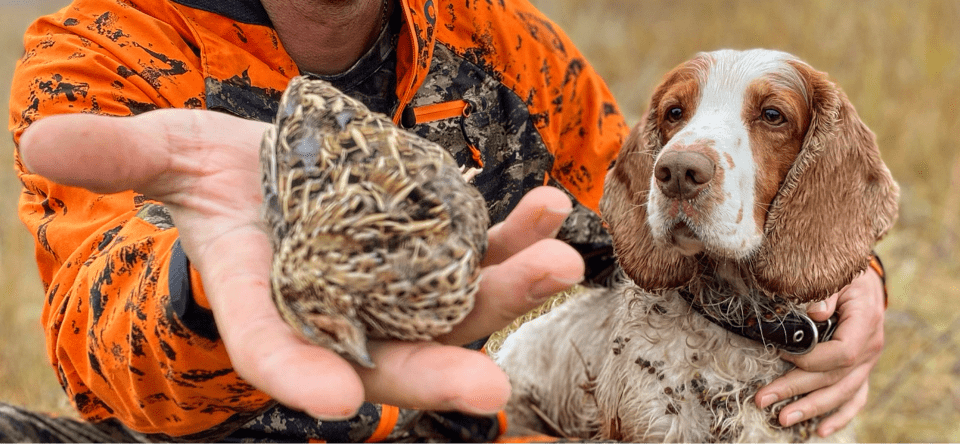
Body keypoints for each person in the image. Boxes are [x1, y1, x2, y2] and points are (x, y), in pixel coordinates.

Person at [7, 0, 887, 442]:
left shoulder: (497, 39)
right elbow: (97, 325)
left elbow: (655, 224)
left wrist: (848, 280)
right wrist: (210, 282)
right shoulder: (99, 53)